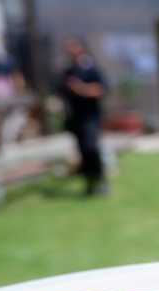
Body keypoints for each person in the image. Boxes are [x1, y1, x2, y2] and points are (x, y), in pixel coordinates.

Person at [58, 38, 108, 196]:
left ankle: (100, 181)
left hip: (90, 117)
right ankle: (89, 183)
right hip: (75, 117)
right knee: (83, 152)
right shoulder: (68, 71)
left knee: (91, 148)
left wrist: (81, 89)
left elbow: (101, 90)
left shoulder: (91, 69)